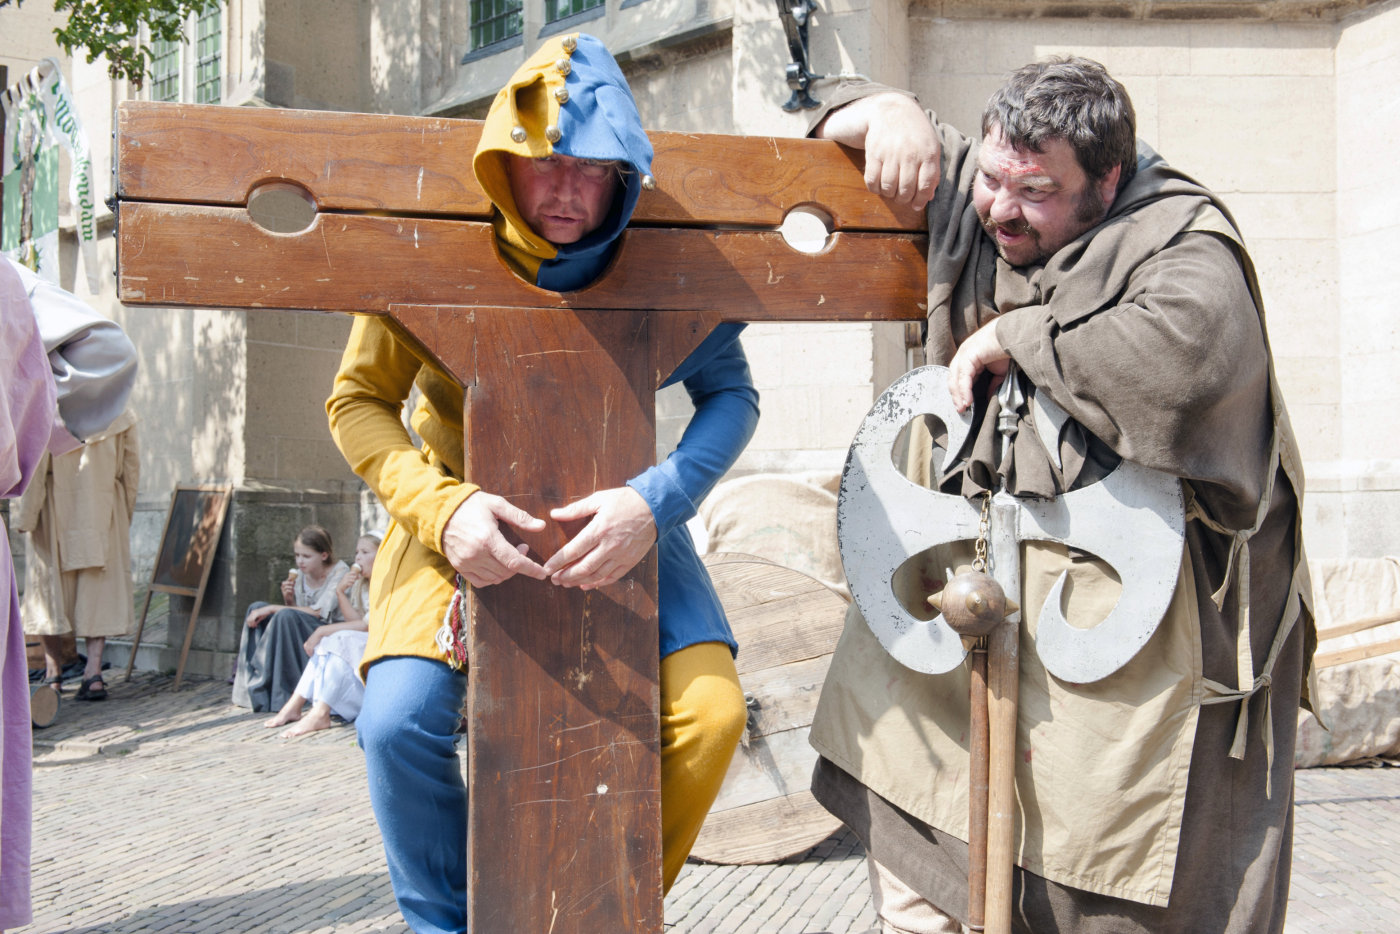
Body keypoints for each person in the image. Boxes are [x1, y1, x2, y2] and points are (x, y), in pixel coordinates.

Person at [806, 58, 1312, 933]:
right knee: (918, 803)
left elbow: (1186, 358)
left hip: (1136, 624)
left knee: (1107, 868)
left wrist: (1017, 334)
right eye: (996, 179)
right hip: (981, 591)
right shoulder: (982, 188)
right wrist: (885, 110)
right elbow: (827, 127)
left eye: (1036, 191)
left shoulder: (1180, 240)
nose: (999, 208)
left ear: (1107, 181)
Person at [326, 34, 759, 934]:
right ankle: (449, 924)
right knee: (397, 727)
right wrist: (442, 513)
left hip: (625, 513)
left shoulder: (666, 263)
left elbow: (732, 396)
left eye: (592, 169)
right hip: (456, 511)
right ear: (501, 165)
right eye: (543, 163)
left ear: (625, 177)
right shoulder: (424, 244)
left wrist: (656, 500)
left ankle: (602, 908)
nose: (565, 190)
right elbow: (357, 401)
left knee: (711, 717)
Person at [1, 256, 138, 931]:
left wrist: (32, 516)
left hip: (70, 520)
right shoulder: (7, 280)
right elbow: (107, 355)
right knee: (90, 610)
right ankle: (83, 669)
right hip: (92, 519)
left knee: (75, 604)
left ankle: (75, 669)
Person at [16, 406, 139, 701]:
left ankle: (53, 675)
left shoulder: (48, 405)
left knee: (50, 595)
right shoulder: (119, 409)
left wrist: (27, 516)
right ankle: (93, 674)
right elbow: (131, 468)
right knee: (96, 593)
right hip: (103, 510)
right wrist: (126, 513)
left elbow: (33, 467)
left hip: (55, 509)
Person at [264, 530, 383, 738]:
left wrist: (321, 630)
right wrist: (340, 593)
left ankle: (320, 712)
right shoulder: (363, 585)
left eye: (365, 552)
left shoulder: (386, 584)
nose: (358, 558)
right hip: (364, 637)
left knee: (338, 638)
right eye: (357, 552)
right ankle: (296, 703)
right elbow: (353, 619)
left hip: (380, 640)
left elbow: (367, 626)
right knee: (332, 640)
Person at [231, 525, 349, 713]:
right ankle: (250, 690)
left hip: (328, 631)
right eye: (297, 555)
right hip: (304, 628)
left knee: (278, 613)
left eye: (306, 556)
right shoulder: (301, 573)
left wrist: (274, 608)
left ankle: (281, 693)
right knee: (257, 608)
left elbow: (318, 612)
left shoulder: (340, 572)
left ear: (324, 555)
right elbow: (296, 613)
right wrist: (289, 599)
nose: (300, 562)